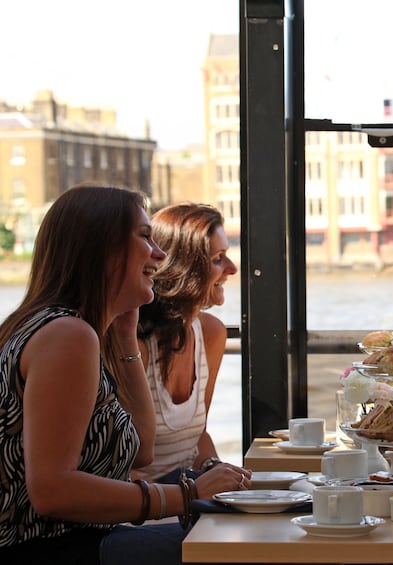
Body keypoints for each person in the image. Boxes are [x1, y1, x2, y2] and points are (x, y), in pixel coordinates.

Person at [0, 183, 251, 565]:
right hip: (49, 548)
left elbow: (143, 449)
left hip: (86, 538)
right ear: (103, 250)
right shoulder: (67, 335)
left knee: (243, 522)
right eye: (145, 237)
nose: (160, 254)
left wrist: (123, 334)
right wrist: (187, 495)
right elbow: (51, 489)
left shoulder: (82, 331)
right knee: (240, 542)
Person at [132, 203, 238, 484]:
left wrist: (218, 470)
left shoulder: (211, 333)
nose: (232, 268)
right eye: (218, 258)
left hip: (186, 499)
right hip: (143, 511)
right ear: (185, 266)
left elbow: (198, 436)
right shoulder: (135, 343)